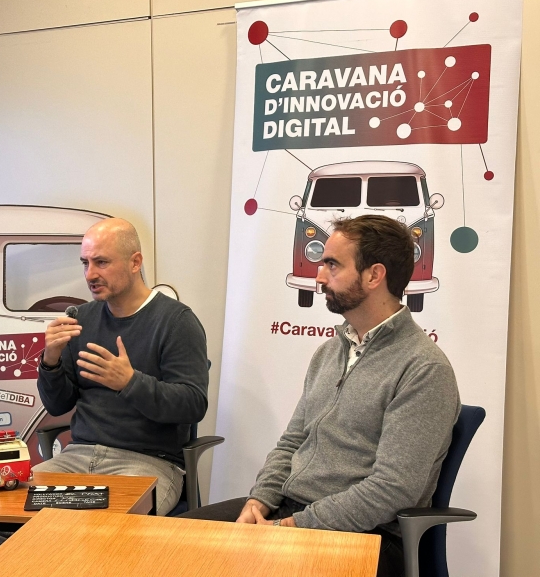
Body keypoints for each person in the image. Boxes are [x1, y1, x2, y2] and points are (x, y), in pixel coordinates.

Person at [180, 215, 460, 577]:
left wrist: (291, 527)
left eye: (332, 265)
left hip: (365, 536)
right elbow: (292, 442)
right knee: (165, 543)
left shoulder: (424, 368)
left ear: (374, 275)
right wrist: (259, 500)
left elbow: (391, 490)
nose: (319, 276)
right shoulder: (330, 352)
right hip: (290, 512)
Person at [34, 218, 209, 515]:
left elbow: (192, 405)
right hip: (77, 457)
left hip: (148, 461)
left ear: (135, 262)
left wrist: (130, 382)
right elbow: (57, 404)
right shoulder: (81, 319)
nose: (90, 274)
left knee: (112, 530)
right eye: (85, 263)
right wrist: (50, 361)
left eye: (101, 262)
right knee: (18, 512)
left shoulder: (176, 321)